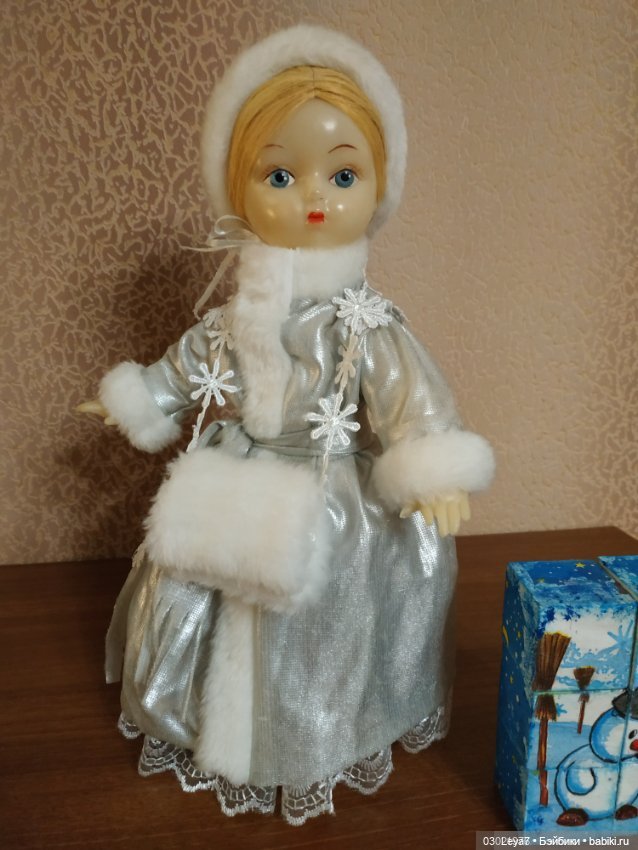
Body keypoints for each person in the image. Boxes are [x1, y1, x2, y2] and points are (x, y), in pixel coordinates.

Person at [79, 25, 495, 825]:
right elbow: (191, 365)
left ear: (378, 186)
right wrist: (141, 398)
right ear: (238, 188)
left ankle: (310, 736)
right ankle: (206, 723)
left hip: (334, 486)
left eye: (343, 174)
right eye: (279, 173)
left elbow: (411, 397)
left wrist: (429, 466)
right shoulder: (236, 313)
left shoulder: (364, 320)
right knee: (191, 578)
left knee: (325, 607)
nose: (315, 196)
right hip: (244, 465)